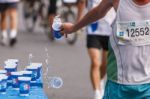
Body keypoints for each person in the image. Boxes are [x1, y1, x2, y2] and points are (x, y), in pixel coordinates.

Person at [61, 0, 150, 98]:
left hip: (147, 86)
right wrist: (74, 28)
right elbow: (98, 11)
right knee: (96, 62)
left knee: (102, 64)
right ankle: (97, 91)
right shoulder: (118, 1)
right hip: (118, 86)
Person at [76, 0, 116, 99]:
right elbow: (81, 3)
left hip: (109, 30)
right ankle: (97, 93)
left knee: (105, 65)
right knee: (95, 62)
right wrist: (78, 21)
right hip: (93, 30)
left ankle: (100, 80)